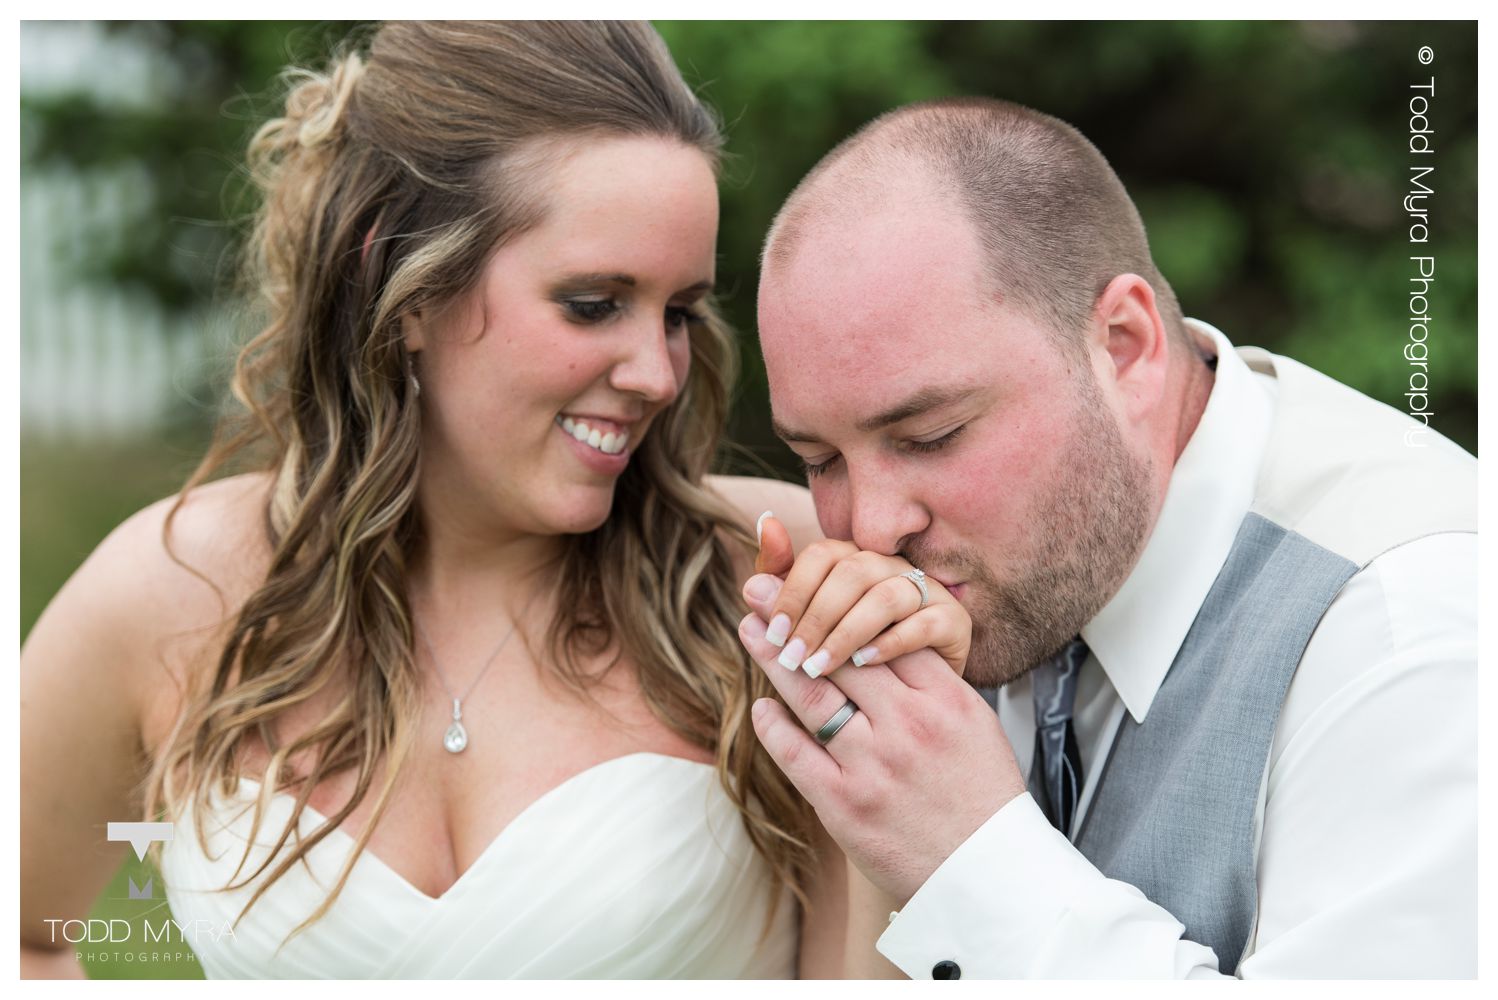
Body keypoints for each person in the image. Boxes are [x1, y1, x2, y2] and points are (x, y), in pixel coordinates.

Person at [20, 22, 971, 980]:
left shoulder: (777, 581)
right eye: (594, 303)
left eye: (679, 313)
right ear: (403, 285)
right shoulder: (172, 592)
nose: (655, 372)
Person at [737, 97, 1477, 978]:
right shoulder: (1004, 576)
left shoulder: (1413, 633)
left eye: (930, 437)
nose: (871, 527)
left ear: (1124, 347)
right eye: (820, 459)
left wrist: (971, 859)